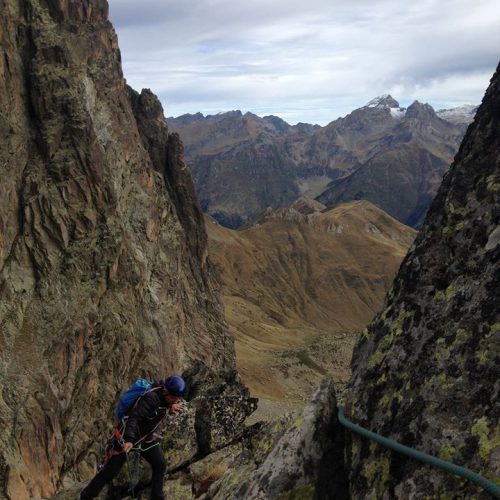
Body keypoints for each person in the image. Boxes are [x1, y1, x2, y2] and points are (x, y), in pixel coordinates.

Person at [80, 375, 186, 500]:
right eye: (174, 398)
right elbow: (133, 418)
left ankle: (157, 497)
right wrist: (129, 440)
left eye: (177, 398)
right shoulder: (151, 398)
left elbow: (162, 404)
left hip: (144, 439)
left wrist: (170, 407)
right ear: (166, 391)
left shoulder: (164, 397)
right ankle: (86, 496)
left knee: (160, 464)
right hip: (126, 436)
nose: (176, 401)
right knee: (110, 472)